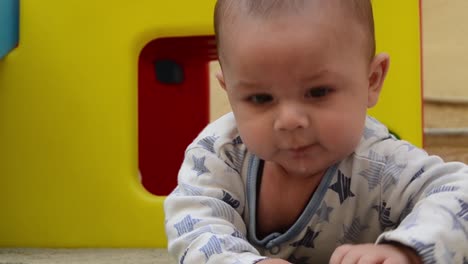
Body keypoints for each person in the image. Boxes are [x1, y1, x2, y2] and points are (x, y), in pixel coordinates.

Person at [164, 0, 468, 263]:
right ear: (229, 91)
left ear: (372, 80)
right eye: (260, 98)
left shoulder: (381, 166)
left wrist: (407, 250)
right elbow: (194, 224)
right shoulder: (221, 155)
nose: (290, 120)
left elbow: (460, 193)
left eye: (318, 91)